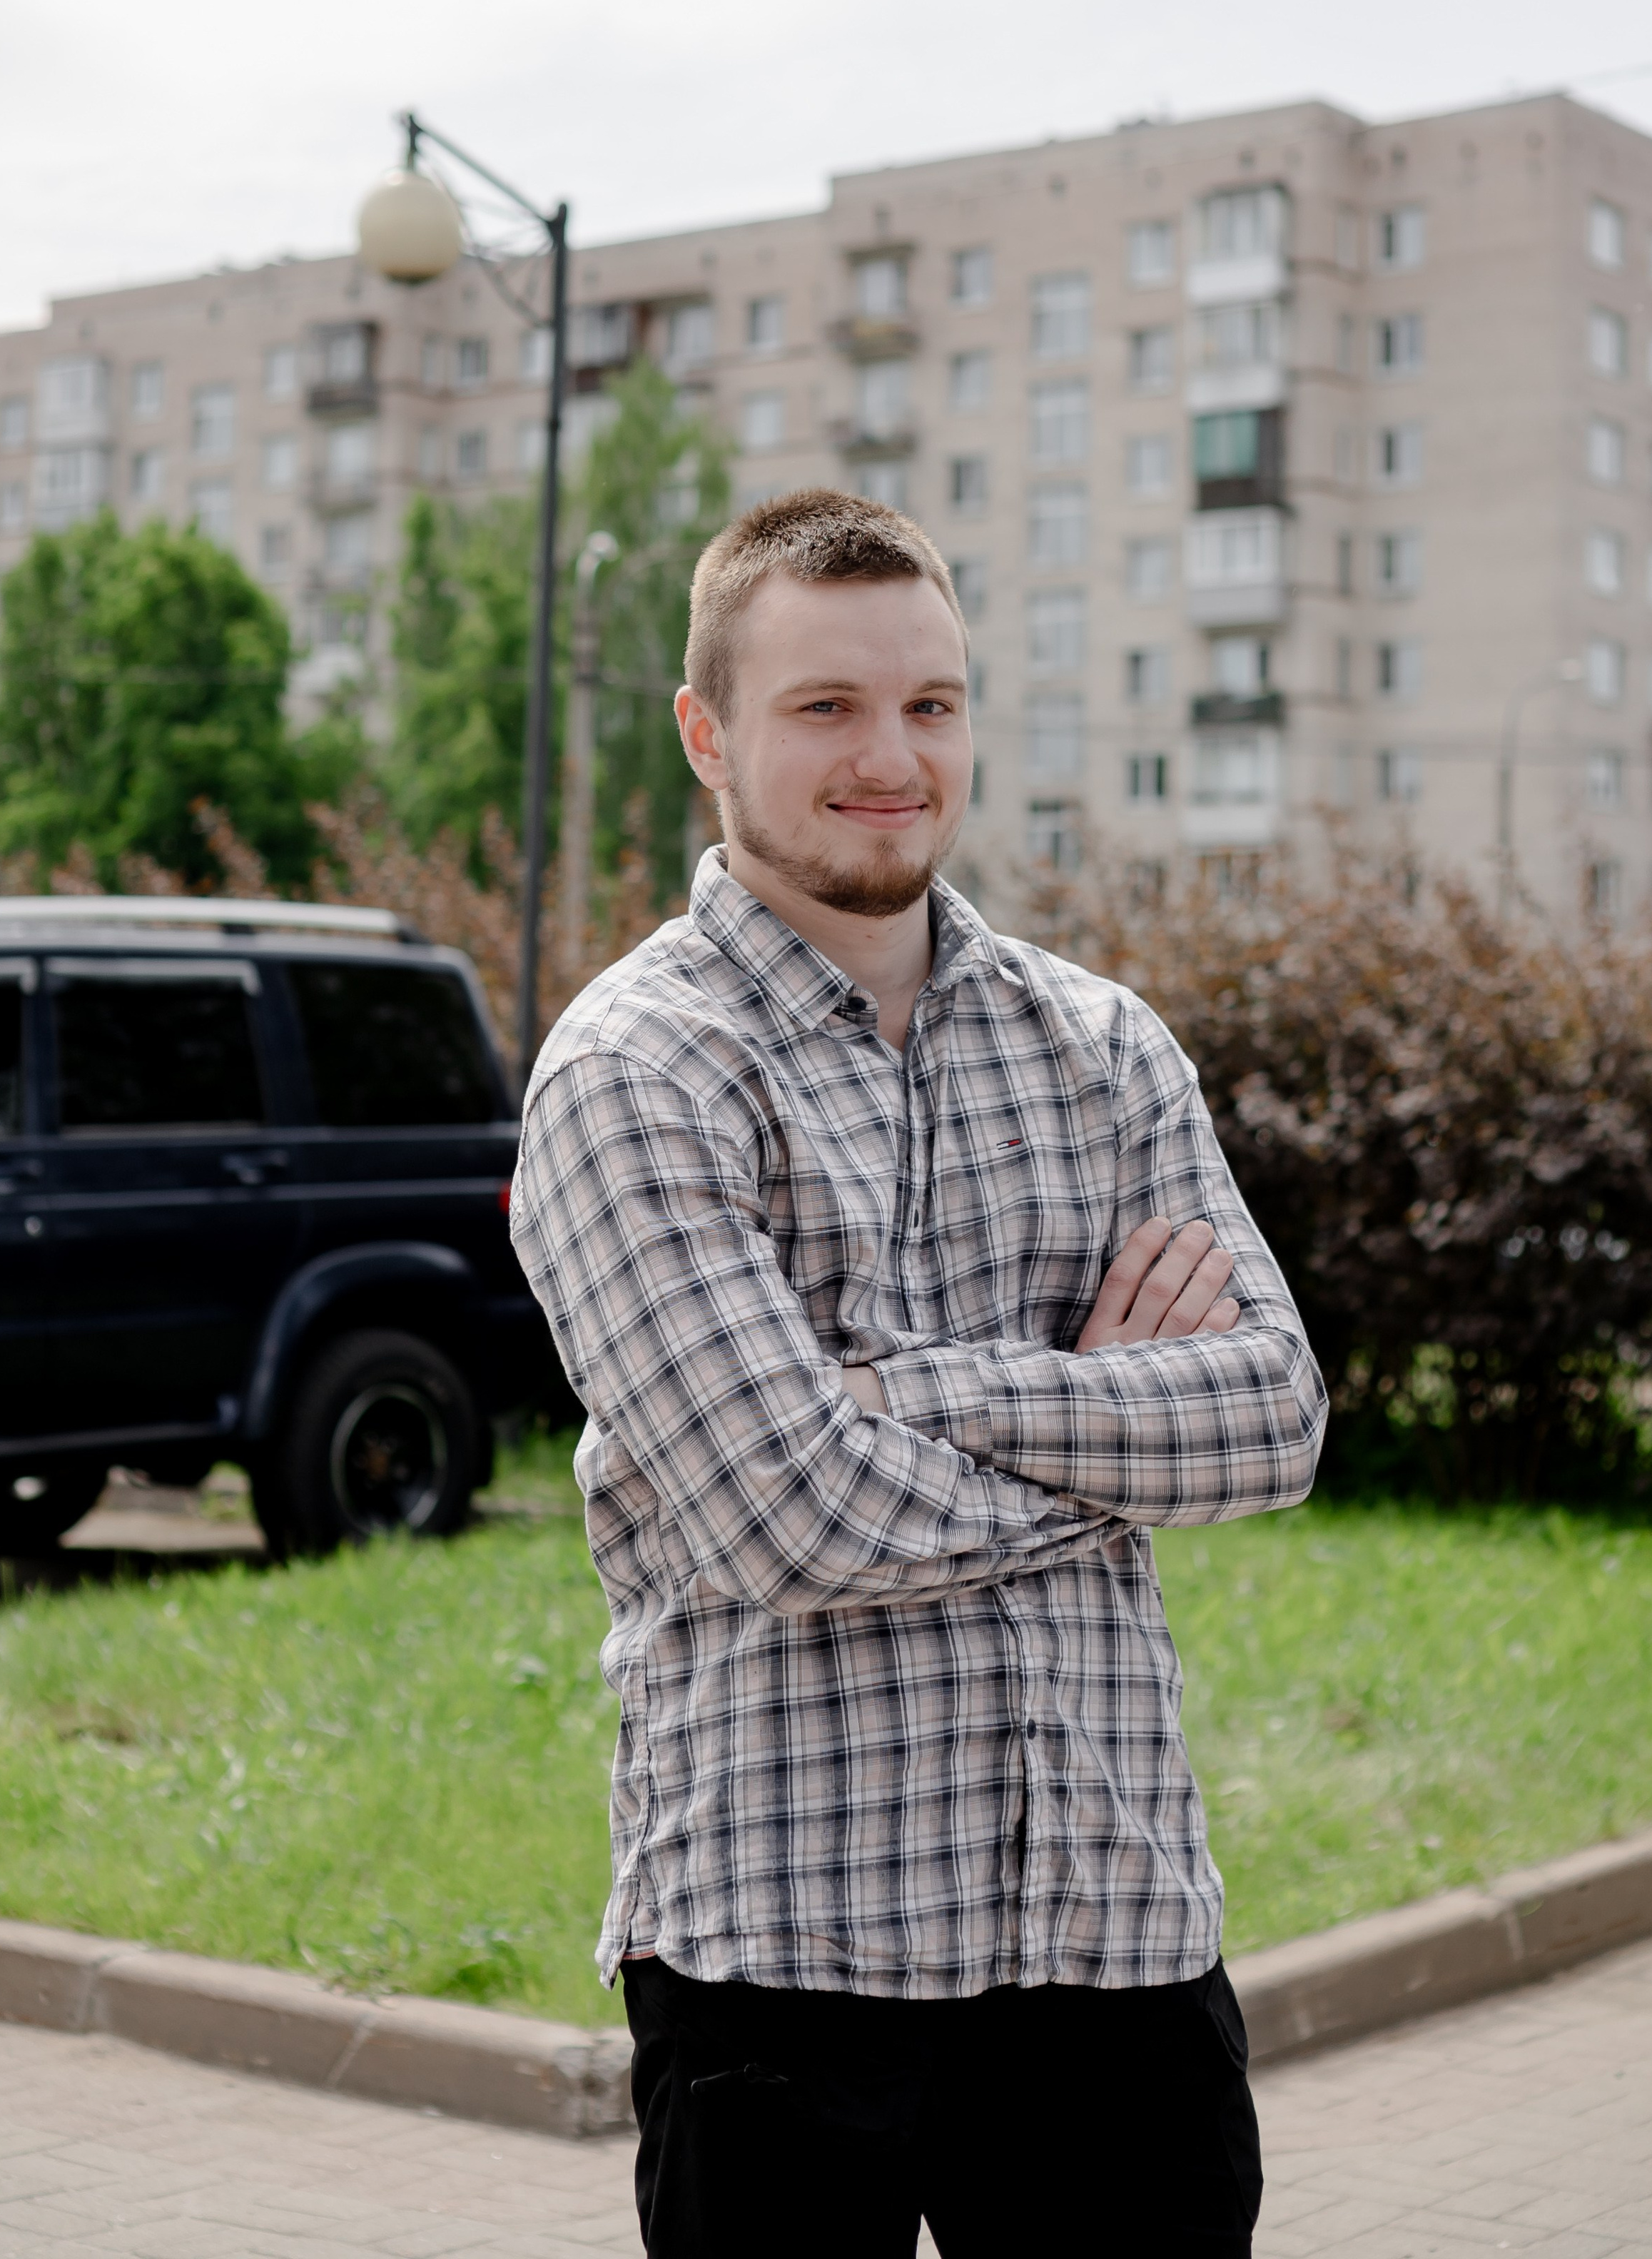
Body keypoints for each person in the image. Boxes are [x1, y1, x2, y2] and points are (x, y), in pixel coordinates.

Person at [510, 490, 1326, 2258]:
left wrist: (907, 1393)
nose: (891, 756)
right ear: (705, 733)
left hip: (1116, 1947)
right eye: (825, 708)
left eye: (930, 704)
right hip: (785, 1978)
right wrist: (1110, 1431)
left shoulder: (1103, 1046)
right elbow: (789, 1511)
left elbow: (1272, 1414)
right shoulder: (633, 1076)